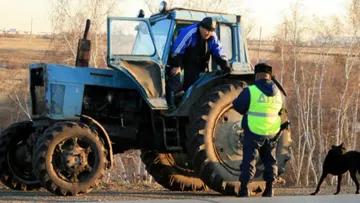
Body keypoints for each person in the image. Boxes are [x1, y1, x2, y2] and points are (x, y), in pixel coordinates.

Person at [232, 63, 283, 197]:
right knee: (270, 160)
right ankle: (270, 189)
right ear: (269, 76)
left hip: (254, 131)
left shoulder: (251, 90)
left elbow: (237, 106)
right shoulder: (278, 93)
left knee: (249, 159)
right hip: (272, 132)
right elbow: (280, 111)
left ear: (257, 75)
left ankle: (244, 189)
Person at [166, 17, 233, 112]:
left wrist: (226, 66)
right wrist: (177, 65)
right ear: (201, 27)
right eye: (206, 30)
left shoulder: (212, 37)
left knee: (198, 83)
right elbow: (176, 50)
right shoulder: (189, 33)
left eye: (210, 31)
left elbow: (219, 52)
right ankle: (171, 106)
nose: (208, 33)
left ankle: (193, 107)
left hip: (200, 63)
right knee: (175, 76)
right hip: (184, 59)